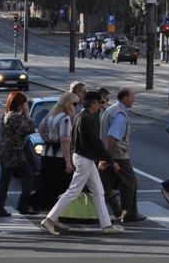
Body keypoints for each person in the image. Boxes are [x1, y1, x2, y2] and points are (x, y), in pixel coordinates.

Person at [40, 92, 124, 235]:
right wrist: (110, 161)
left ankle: (106, 225)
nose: (100, 105)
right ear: (93, 104)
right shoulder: (87, 118)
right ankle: (50, 219)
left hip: (83, 157)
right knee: (74, 190)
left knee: (98, 191)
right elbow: (95, 142)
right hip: (84, 159)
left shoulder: (80, 116)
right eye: (99, 102)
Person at [99, 88, 146, 223]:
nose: (134, 100)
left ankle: (96, 212)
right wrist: (109, 158)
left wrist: (106, 156)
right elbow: (111, 137)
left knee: (103, 185)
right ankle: (129, 214)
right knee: (130, 182)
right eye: (132, 97)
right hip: (118, 155)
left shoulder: (112, 109)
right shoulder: (120, 114)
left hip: (108, 153)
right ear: (125, 98)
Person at [0, 91, 36, 216]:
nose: (25, 106)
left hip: (6, 151)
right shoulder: (15, 117)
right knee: (29, 176)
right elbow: (30, 129)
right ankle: (23, 205)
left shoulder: (7, 115)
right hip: (14, 153)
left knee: (4, 180)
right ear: (19, 105)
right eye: (24, 104)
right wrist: (27, 114)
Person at [37, 91, 78, 223]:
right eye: (75, 103)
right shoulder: (65, 119)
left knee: (49, 183)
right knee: (62, 185)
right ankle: (58, 215)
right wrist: (68, 162)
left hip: (47, 152)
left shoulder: (50, 115)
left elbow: (40, 129)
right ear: (68, 104)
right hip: (58, 155)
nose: (76, 106)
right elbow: (64, 140)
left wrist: (48, 141)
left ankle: (50, 212)